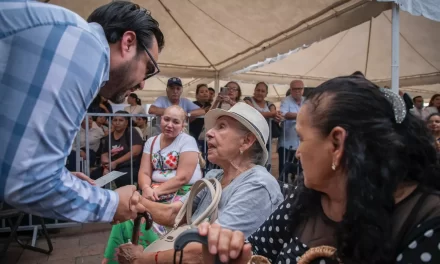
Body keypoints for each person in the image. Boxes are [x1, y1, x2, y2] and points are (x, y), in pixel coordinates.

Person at [200, 76, 440, 264]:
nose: (297, 152)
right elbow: (258, 250)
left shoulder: (427, 223)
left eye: (302, 138)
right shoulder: (305, 196)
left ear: (336, 143)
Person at [0, 1, 164, 222]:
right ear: (128, 42)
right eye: (149, 69)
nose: (143, 84)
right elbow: (29, 180)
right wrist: (112, 203)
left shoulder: (73, 37)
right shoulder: (86, 45)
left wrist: (59, 176)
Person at [116, 103, 283, 263]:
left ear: (246, 141)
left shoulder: (258, 185)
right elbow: (174, 214)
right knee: (123, 226)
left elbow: (205, 253)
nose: (209, 132)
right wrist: (133, 199)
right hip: (187, 251)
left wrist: (140, 260)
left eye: (221, 126)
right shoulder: (215, 176)